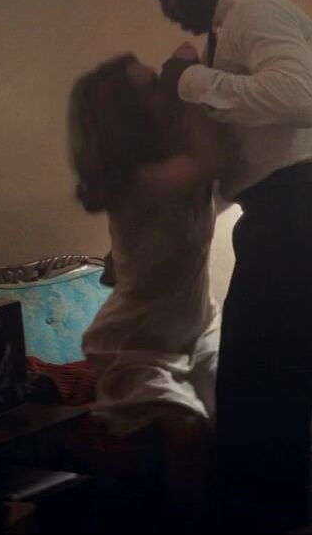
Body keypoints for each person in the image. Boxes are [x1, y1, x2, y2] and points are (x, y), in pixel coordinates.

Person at [138, 0, 312, 532]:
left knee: (260, 408)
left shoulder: (256, 11)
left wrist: (187, 81)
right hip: (288, 218)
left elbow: (297, 98)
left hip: (301, 218)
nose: (166, 8)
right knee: (261, 408)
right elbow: (244, 165)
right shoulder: (227, 35)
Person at [68, 53, 225, 522]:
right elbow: (212, 160)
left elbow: (222, 167)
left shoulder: (176, 174)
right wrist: (189, 81)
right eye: (153, 83)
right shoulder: (142, 181)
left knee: (237, 425)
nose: (164, 83)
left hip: (198, 332)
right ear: (131, 115)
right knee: (185, 431)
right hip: (140, 344)